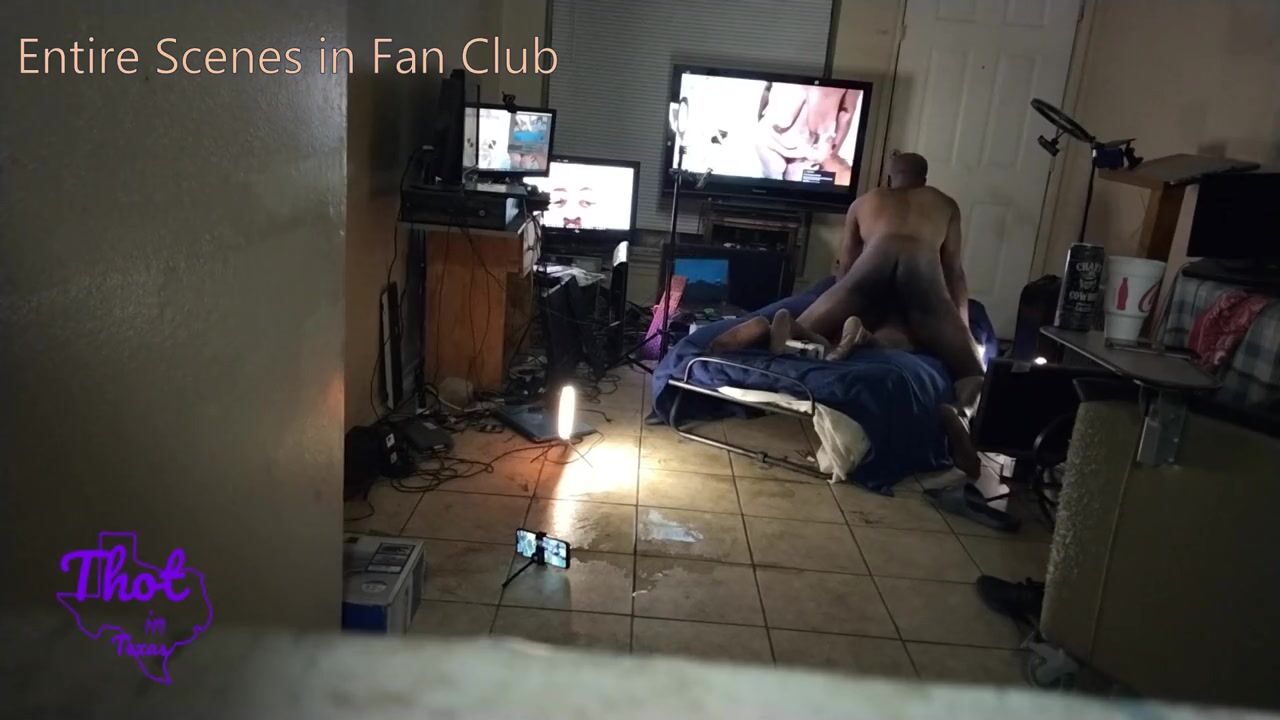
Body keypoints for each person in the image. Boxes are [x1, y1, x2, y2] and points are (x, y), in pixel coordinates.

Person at [707, 152, 984, 476]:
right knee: (973, 371)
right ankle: (960, 412)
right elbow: (953, 272)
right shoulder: (945, 205)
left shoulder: (865, 203)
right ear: (924, 178)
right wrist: (962, 328)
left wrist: (840, 304)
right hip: (922, 269)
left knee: (806, 326)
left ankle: (777, 328)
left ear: (890, 176)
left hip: (873, 261)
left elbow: (846, 270)